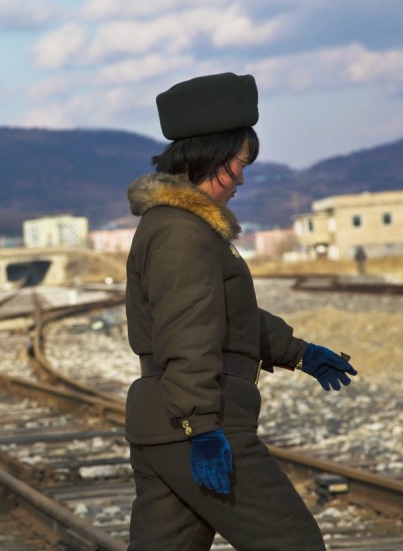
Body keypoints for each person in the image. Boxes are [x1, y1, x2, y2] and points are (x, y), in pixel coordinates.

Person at [124, 72, 358, 551]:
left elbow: (226, 316)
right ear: (212, 159)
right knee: (294, 543)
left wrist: (299, 353)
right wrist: (202, 429)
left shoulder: (181, 228)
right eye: (239, 163)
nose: (243, 178)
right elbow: (188, 338)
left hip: (168, 428)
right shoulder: (182, 233)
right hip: (199, 425)